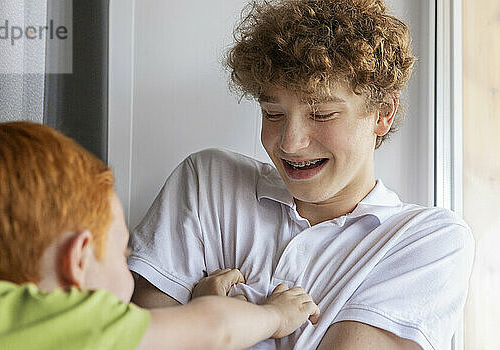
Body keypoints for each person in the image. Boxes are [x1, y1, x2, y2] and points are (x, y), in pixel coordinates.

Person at [128, 0, 475, 349]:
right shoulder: (207, 183)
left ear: (383, 113)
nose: (290, 144)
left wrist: (209, 320)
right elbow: (140, 342)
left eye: (322, 114)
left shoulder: (425, 241)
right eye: (273, 113)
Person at [0, 121, 321, 350]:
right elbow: (217, 327)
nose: (129, 262)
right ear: (77, 260)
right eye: (121, 251)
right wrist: (273, 315)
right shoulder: (77, 320)